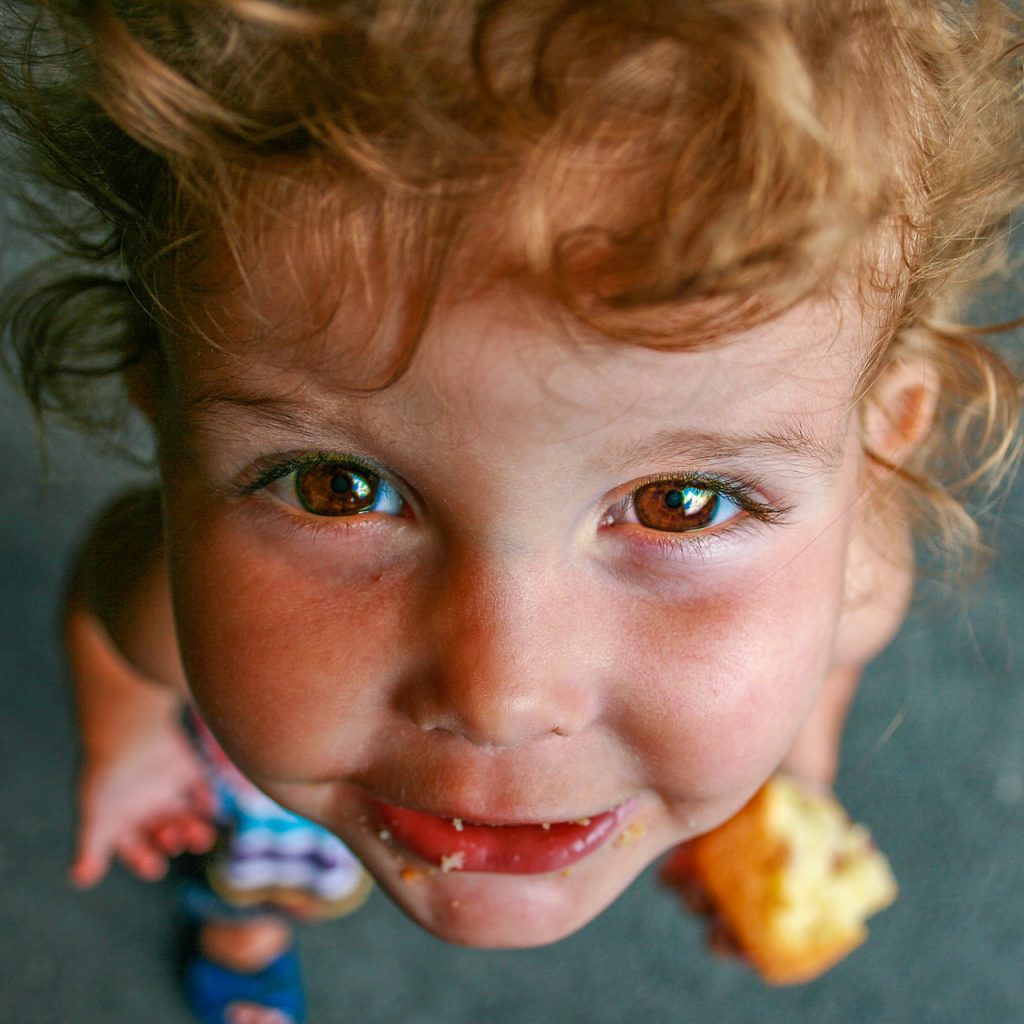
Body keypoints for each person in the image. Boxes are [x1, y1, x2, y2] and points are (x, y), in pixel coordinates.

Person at [1, 2, 1022, 1022]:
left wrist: (791, 775)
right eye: (337, 488)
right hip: (273, 803)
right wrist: (132, 743)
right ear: (163, 396)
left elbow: (828, 672)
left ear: (879, 446)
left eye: (680, 503)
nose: (500, 699)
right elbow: (110, 620)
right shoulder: (170, 621)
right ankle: (249, 930)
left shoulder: (860, 590)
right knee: (264, 864)